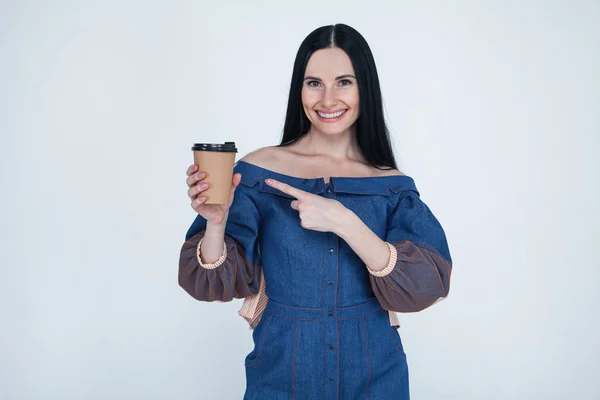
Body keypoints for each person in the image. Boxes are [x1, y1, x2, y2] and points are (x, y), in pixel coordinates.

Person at [179, 23, 452, 400]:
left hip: (377, 382)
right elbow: (213, 284)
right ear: (299, 88)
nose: (327, 99)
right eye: (313, 83)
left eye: (344, 82)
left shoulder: (391, 186)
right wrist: (215, 223)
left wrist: (347, 224)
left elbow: (425, 287)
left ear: (364, 88)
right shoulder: (257, 172)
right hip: (280, 380)